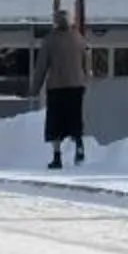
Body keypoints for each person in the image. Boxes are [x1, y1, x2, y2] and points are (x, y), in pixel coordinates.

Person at [38, 9, 90, 169]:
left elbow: (41, 66)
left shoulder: (49, 40)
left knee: (55, 123)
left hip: (57, 87)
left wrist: (34, 87)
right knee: (75, 118)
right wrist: (85, 80)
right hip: (76, 86)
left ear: (55, 21)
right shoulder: (78, 38)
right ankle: (79, 145)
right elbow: (86, 62)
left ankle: (57, 157)